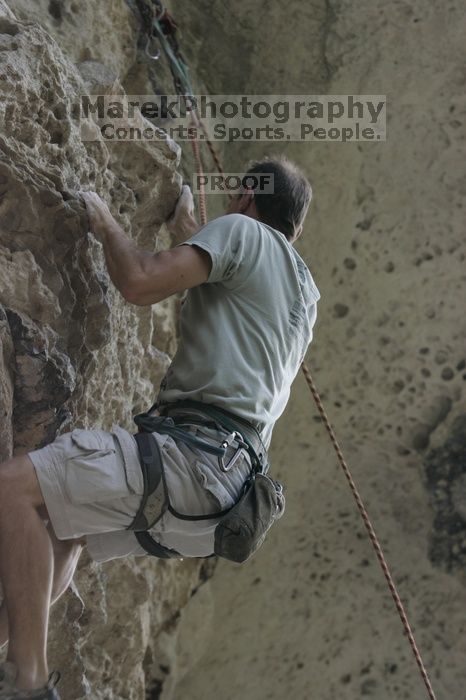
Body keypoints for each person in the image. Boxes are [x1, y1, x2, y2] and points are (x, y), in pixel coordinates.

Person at [0, 156, 320, 699]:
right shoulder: (302, 294)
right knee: (64, 528)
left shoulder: (240, 231)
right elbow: (225, 277)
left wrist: (106, 223)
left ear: (246, 198)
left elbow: (142, 282)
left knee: (13, 491)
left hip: (188, 459)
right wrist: (190, 229)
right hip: (219, 503)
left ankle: (27, 683)